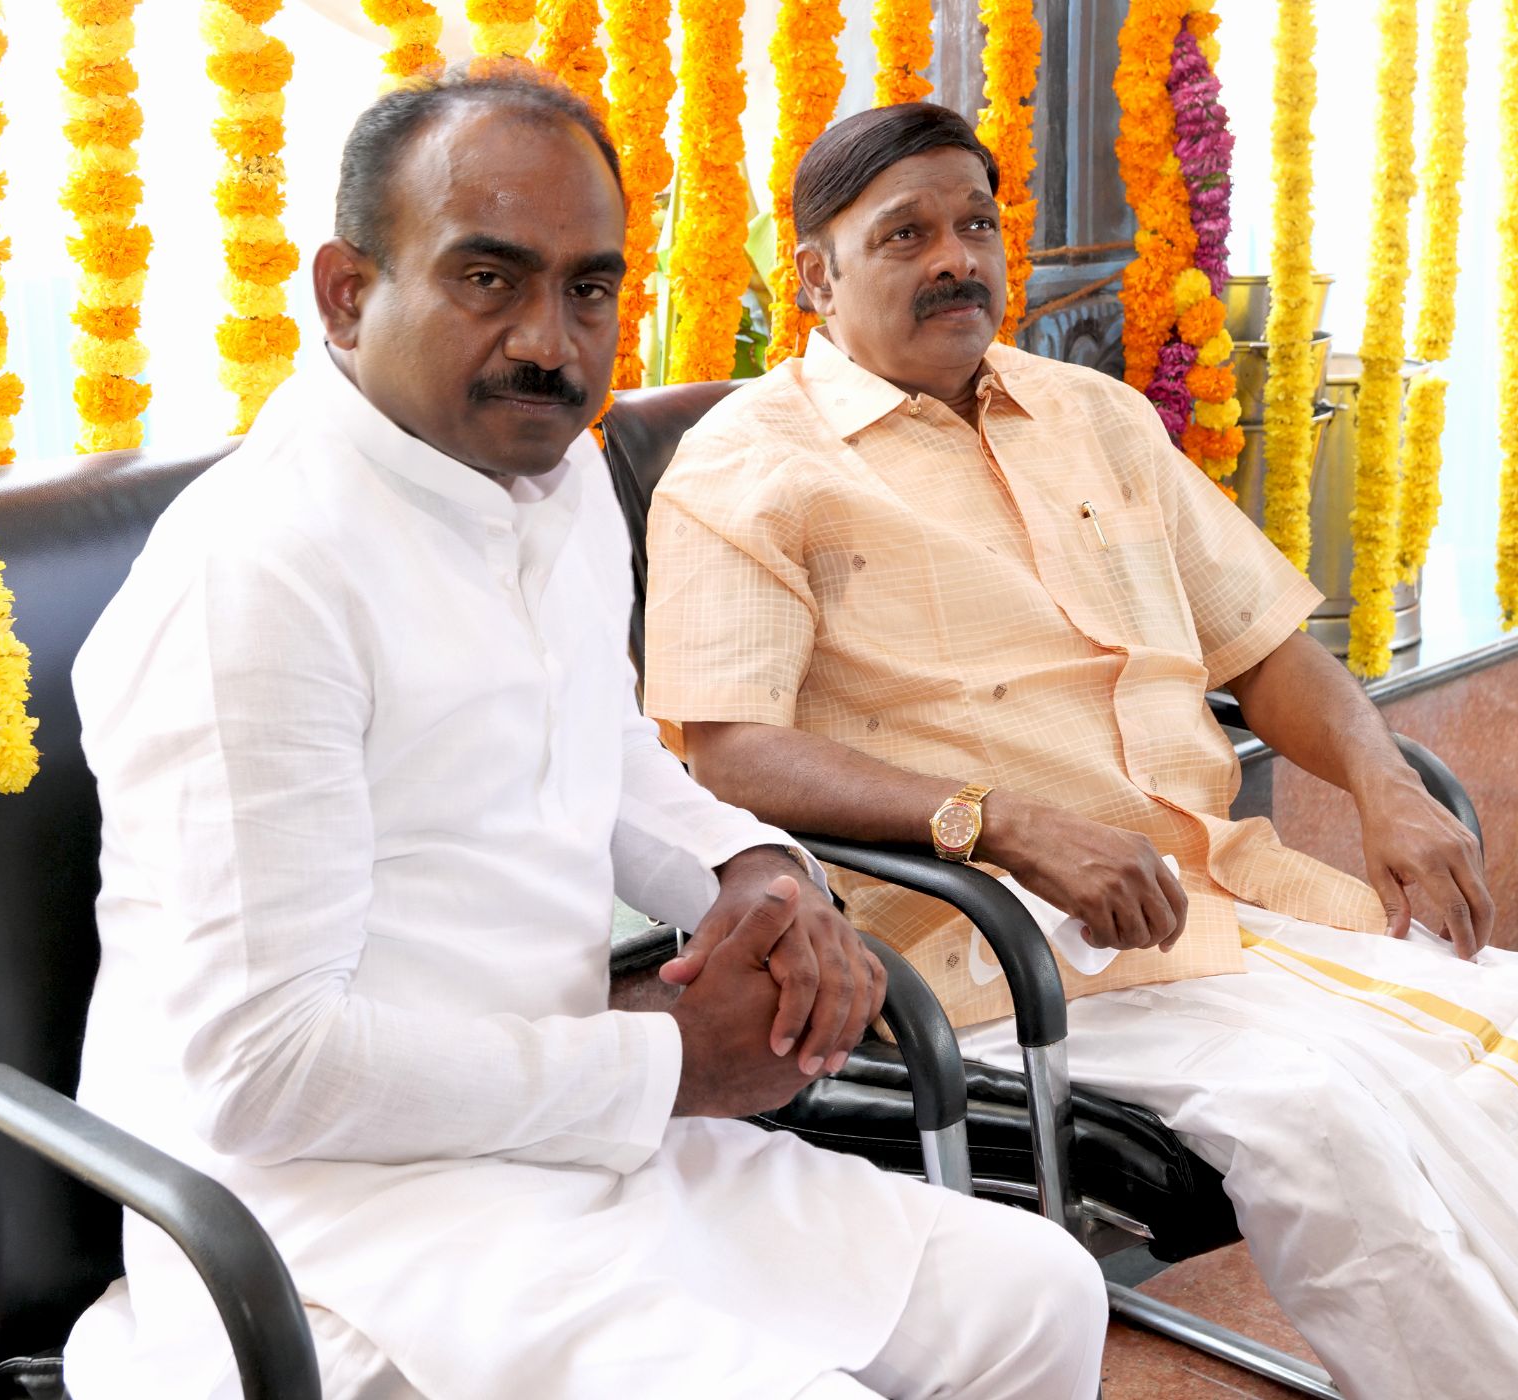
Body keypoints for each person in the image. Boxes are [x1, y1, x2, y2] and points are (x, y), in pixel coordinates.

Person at [643, 102, 1518, 1400]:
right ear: (814, 275)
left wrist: (1387, 786)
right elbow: (730, 751)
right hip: (1003, 954)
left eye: (976, 224)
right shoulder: (747, 470)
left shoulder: (1094, 416)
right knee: (1330, 1118)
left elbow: (1267, 647)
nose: (956, 258)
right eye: (905, 235)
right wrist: (1002, 821)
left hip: (1218, 893)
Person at [62, 71, 1106, 1400]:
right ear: (346, 292)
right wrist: (670, 1059)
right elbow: (265, 1074)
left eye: (589, 289)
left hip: (568, 1142)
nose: (550, 343)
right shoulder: (261, 575)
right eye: (487, 279)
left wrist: (758, 875)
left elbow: (602, 755)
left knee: (1039, 1296)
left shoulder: (546, 484)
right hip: (331, 1225)